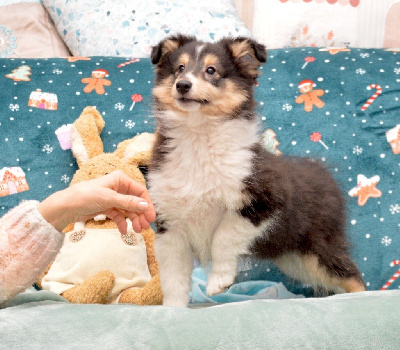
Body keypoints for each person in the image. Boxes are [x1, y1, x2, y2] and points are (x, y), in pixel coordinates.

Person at [0, 170, 156, 305]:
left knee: (146, 293)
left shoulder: (136, 227)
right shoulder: (73, 224)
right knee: (70, 291)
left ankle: (142, 296)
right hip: (70, 288)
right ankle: (81, 294)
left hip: (129, 291)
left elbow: (154, 255)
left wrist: (61, 210)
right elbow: (45, 265)